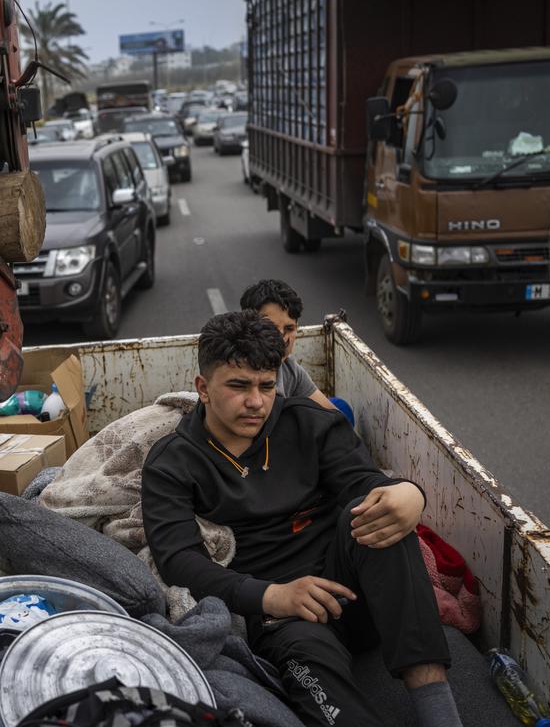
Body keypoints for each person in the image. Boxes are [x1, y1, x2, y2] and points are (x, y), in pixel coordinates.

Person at [142, 311, 460, 727]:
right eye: (238, 386)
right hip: (282, 617)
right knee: (319, 682)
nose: (255, 402)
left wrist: (410, 493)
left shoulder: (311, 424)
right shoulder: (172, 462)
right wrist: (271, 596)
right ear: (203, 388)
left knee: (380, 517)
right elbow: (179, 560)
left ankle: (440, 713)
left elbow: (364, 483)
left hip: (359, 595)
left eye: (266, 385)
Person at [239, 279, 335, 411]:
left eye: (289, 329)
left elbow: (333, 413)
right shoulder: (234, 370)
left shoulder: (290, 370)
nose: (281, 339)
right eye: (270, 327)